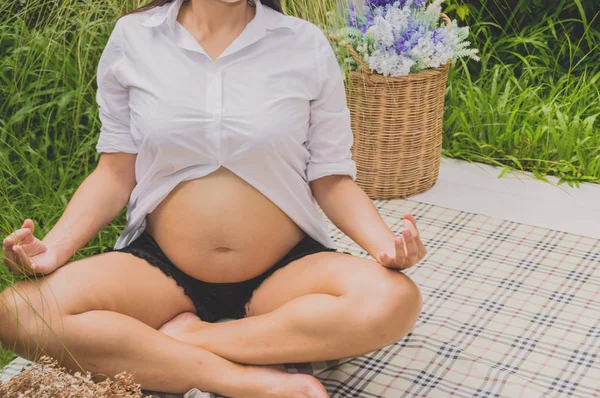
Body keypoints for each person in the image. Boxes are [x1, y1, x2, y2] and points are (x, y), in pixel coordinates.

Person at [0, 0, 427, 396]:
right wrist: (52, 251)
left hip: (286, 271)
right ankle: (243, 379)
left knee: (394, 299)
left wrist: (385, 247)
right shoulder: (134, 37)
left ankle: (190, 340)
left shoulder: (303, 44)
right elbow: (114, 173)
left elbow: (331, 178)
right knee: (17, 312)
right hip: (160, 270)